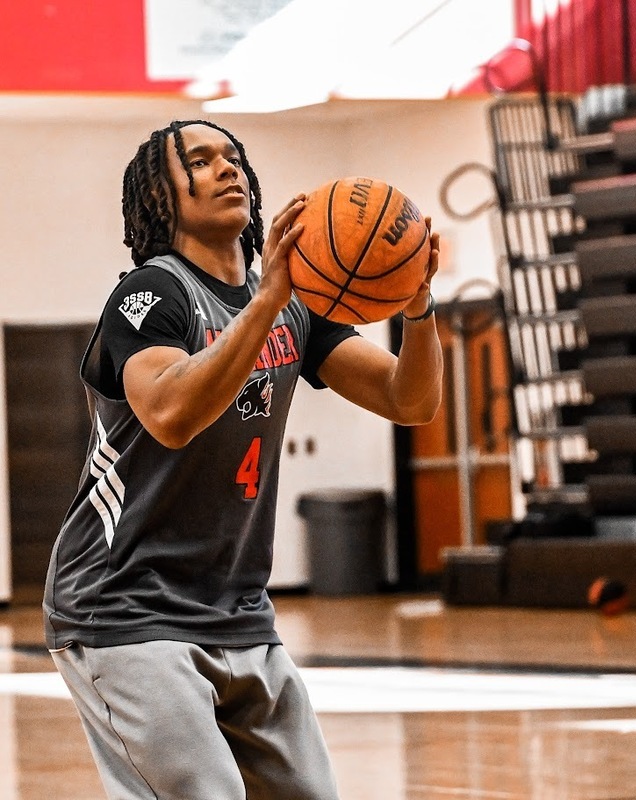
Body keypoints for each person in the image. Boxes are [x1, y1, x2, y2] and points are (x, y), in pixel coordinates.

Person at [43, 119, 443, 800]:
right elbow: (171, 415)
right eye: (199, 161)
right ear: (161, 197)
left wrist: (419, 304)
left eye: (233, 157)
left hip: (239, 609)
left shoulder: (295, 308)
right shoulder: (150, 296)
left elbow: (410, 400)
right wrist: (267, 301)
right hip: (123, 606)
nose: (227, 168)